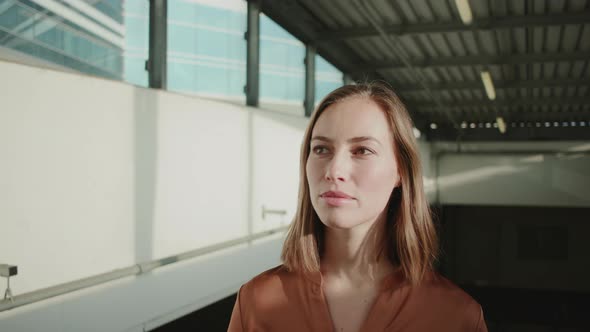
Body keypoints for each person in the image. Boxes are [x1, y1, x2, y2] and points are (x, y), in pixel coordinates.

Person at [228, 82, 488, 332]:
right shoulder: (256, 301)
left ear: (400, 171)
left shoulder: (455, 316)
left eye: (362, 150)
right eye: (321, 149)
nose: (334, 170)